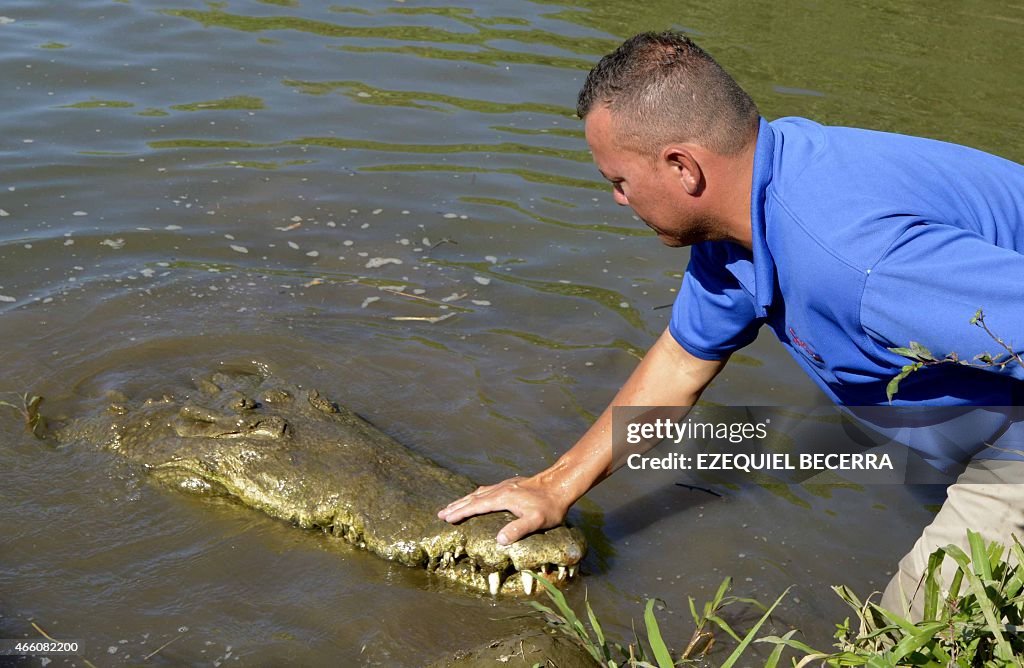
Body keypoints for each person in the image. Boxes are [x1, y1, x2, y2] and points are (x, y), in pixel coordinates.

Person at [437, 31, 1024, 618]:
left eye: (619, 181)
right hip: (969, 416)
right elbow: (681, 363)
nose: (618, 199)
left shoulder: (855, 258)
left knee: (916, 628)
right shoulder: (747, 206)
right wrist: (555, 484)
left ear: (683, 168)